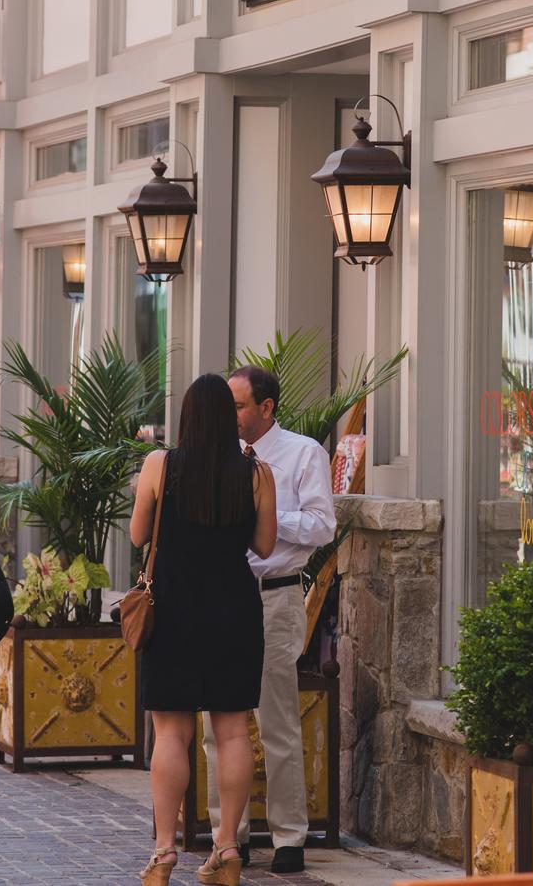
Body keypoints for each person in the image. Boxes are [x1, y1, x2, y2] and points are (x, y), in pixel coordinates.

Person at [139, 372, 279, 886]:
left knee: (171, 732)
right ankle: (226, 851)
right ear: (228, 417)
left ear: (186, 417)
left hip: (172, 608)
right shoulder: (256, 473)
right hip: (233, 609)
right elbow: (265, 547)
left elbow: (138, 533)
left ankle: (163, 854)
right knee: (233, 730)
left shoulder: (160, 464)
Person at [209, 365, 333, 876]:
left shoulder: (304, 453)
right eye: (227, 406)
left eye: (238, 406)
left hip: (274, 599)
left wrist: (262, 513)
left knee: (276, 718)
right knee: (219, 721)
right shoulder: (215, 458)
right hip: (221, 599)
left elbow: (323, 525)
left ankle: (289, 836)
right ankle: (227, 834)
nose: (230, 415)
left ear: (266, 407)